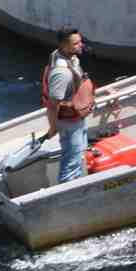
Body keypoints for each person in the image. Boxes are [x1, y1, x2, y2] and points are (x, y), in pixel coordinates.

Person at [42, 26, 96, 180]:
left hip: (79, 116)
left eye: (80, 41)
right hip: (69, 123)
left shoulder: (69, 55)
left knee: (79, 155)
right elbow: (53, 104)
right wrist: (53, 127)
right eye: (76, 44)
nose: (81, 45)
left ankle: (80, 181)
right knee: (71, 163)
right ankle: (68, 192)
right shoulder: (61, 73)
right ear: (64, 46)